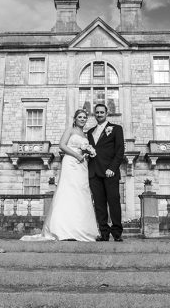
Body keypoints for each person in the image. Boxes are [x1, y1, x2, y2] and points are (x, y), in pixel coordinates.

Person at [20, 109, 99, 242]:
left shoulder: (85, 135)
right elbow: (62, 145)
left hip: (82, 165)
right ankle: (62, 229)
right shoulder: (70, 130)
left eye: (84, 117)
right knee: (68, 191)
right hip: (71, 162)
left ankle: (78, 228)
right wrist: (77, 155)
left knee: (81, 193)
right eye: (80, 117)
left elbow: (83, 149)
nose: (82, 119)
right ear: (75, 119)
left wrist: (88, 154)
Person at [87, 103, 125, 242]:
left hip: (110, 172)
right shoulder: (90, 132)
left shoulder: (116, 129)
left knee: (114, 202)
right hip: (94, 173)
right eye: (97, 112)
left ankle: (117, 233)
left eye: (102, 112)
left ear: (106, 113)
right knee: (99, 204)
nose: (99, 114)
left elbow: (120, 151)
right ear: (94, 114)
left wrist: (113, 168)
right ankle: (103, 232)